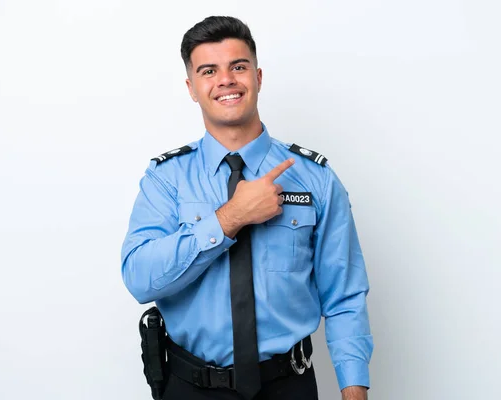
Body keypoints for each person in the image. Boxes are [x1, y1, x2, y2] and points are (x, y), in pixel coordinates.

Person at [121, 16, 373, 400]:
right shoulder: (165, 180)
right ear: (192, 87)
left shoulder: (315, 178)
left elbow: (345, 297)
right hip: (190, 388)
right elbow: (140, 279)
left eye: (238, 67)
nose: (226, 80)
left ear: (257, 76)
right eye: (209, 70)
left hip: (289, 385)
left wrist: (354, 391)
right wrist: (231, 217)